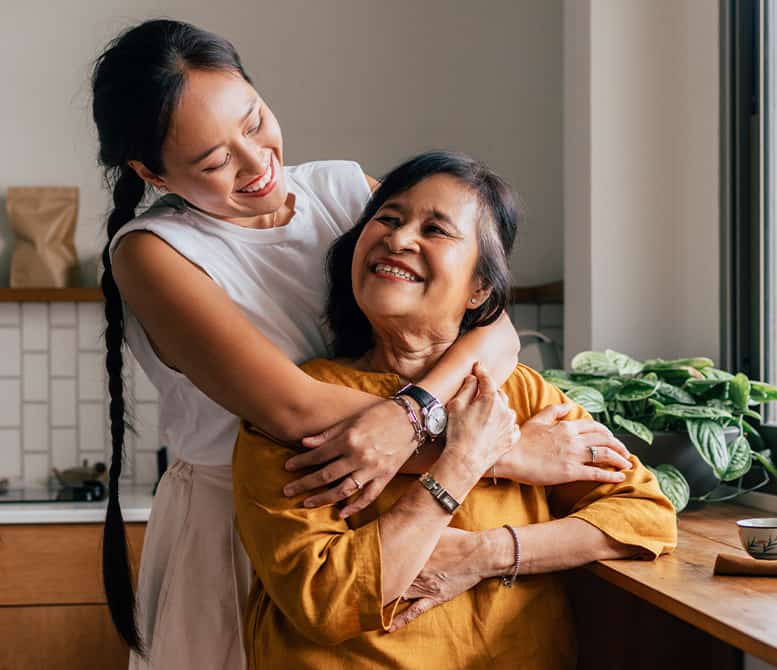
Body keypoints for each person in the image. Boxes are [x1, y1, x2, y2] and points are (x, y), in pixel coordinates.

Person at [91, 20, 632, 669]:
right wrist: (497, 453)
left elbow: (492, 324)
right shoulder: (153, 254)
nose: (256, 161)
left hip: (384, 508)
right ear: (151, 170)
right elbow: (292, 413)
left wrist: (419, 415)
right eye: (213, 161)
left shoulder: (344, 190)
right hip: (253, 521)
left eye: (254, 120)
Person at [233, 151, 678, 669]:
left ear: (479, 289)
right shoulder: (300, 405)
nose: (399, 239)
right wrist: (462, 462)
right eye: (390, 218)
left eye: (437, 230)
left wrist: (485, 554)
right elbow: (326, 599)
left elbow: (645, 516)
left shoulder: (519, 392)